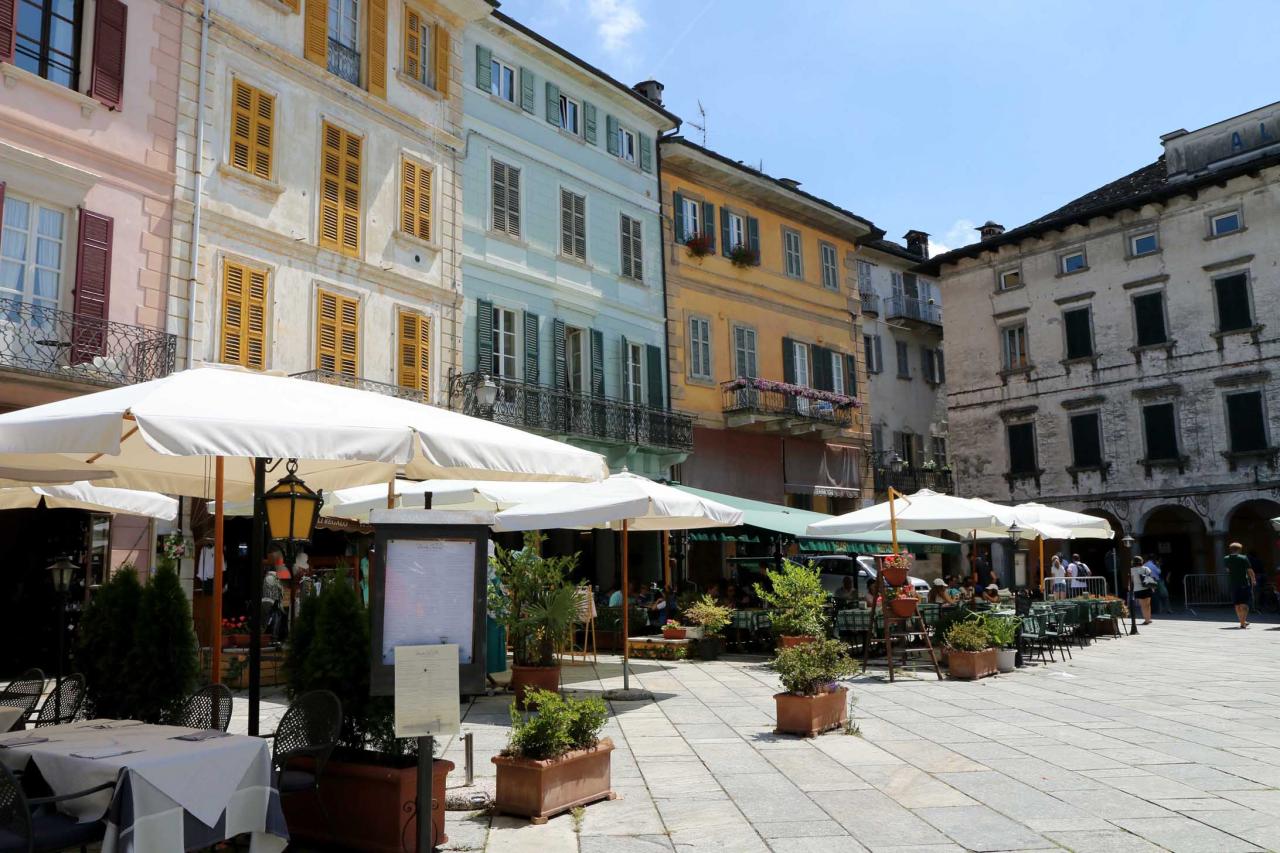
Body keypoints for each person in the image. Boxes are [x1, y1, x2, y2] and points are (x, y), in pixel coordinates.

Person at [1226, 542, 1256, 629]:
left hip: (1233, 583)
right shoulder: (1243, 558)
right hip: (1243, 583)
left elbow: (1228, 570)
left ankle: (1242, 621)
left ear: (1231, 549)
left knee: (1237, 604)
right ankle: (1242, 624)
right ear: (1239, 549)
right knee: (1245, 604)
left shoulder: (1226, 558)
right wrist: (1253, 579)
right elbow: (1250, 570)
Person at [1130, 556, 1155, 624]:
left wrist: (1130, 587)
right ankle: (1148, 619)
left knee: (1143, 606)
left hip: (1138, 589)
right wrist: (1152, 588)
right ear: (1142, 561)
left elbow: (1131, 581)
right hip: (1147, 588)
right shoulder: (1146, 568)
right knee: (1148, 605)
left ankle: (1146, 619)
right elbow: (1150, 578)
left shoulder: (1132, 570)